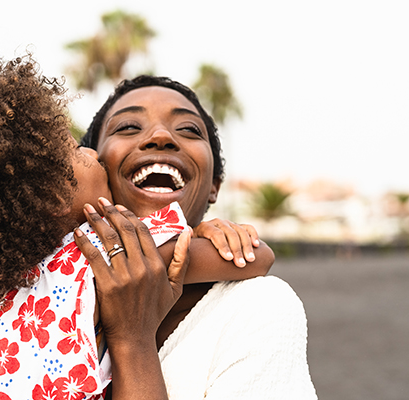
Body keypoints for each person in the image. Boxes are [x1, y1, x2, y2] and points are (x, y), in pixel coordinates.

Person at [0, 52, 273, 400]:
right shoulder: (97, 255)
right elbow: (252, 257)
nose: (87, 151)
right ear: (50, 197)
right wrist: (205, 232)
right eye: (71, 151)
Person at [81, 75, 318, 399]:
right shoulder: (32, 279)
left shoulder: (255, 308)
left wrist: (132, 341)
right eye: (127, 127)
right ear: (93, 165)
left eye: (189, 130)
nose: (161, 136)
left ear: (214, 187)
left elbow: (259, 255)